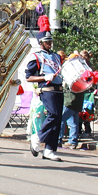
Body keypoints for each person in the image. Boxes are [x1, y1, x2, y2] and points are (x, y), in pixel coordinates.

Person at [24, 22, 63, 161]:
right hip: (47, 89)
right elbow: (28, 77)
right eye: (47, 42)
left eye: (50, 41)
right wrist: (44, 77)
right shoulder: (36, 56)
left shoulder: (57, 56)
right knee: (53, 114)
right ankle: (38, 136)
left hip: (59, 89)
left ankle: (49, 149)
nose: (50, 44)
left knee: (58, 118)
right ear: (41, 43)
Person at [58, 51, 83, 147]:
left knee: (61, 119)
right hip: (77, 100)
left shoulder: (71, 72)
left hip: (70, 100)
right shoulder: (82, 73)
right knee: (73, 122)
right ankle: (72, 141)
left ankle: (59, 139)